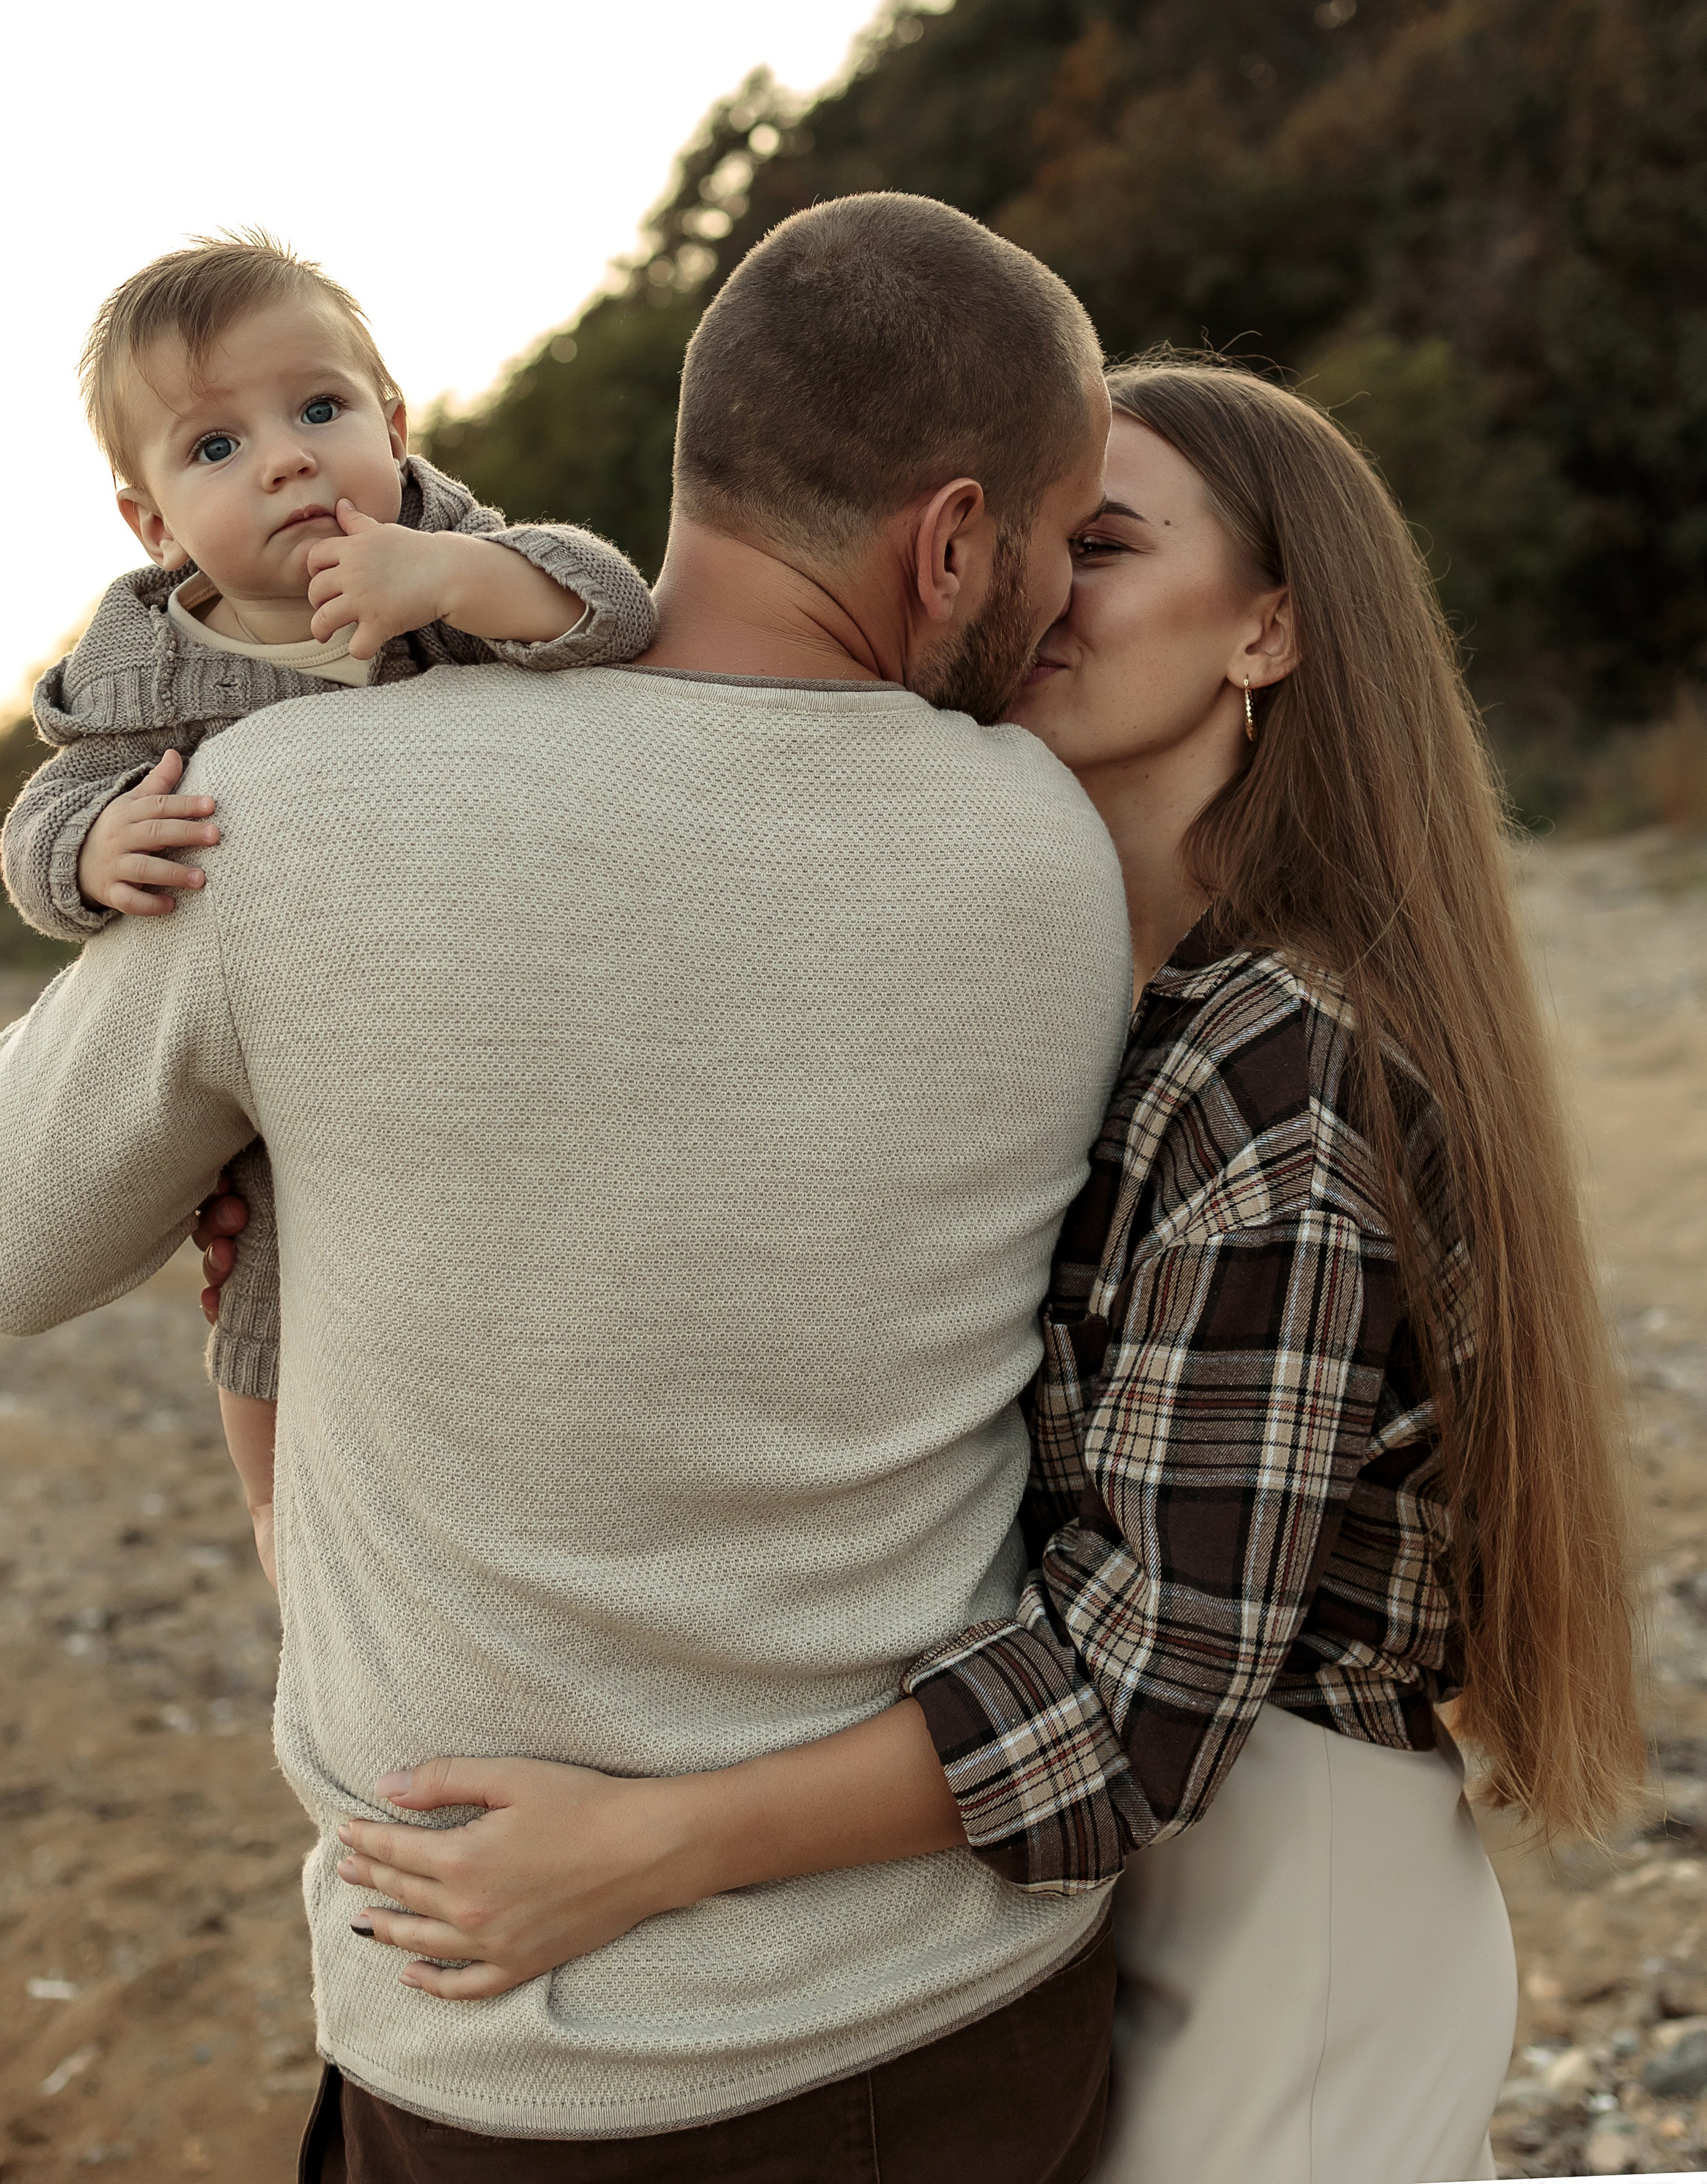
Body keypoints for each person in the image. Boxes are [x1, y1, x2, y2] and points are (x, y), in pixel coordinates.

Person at [279, 360, 1643, 2184]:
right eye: (1023, 533)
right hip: (1087, 1907)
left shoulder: (1284, 1066)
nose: (1031, 582)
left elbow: (1143, 1686)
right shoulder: (1086, 992)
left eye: (1104, 542)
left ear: (1266, 632)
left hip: (1278, 1913)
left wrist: (651, 1841)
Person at [0, 193, 1132, 2180]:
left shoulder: (286, 818)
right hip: (983, 2011)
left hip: (529, 2060)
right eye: (1052, 545)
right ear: (947, 541)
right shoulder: (1050, 843)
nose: (1058, 605)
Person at [0, 230, 657, 1582]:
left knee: (523, 1277)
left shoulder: (454, 578)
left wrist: (457, 580)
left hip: (495, 1002)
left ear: (395, 428)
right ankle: (277, 1526)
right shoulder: (151, 678)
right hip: (297, 1058)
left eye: (319, 409)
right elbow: (40, 823)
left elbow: (618, 614)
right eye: (214, 446)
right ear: (153, 523)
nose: (286, 457)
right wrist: (93, 848)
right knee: (262, 1289)